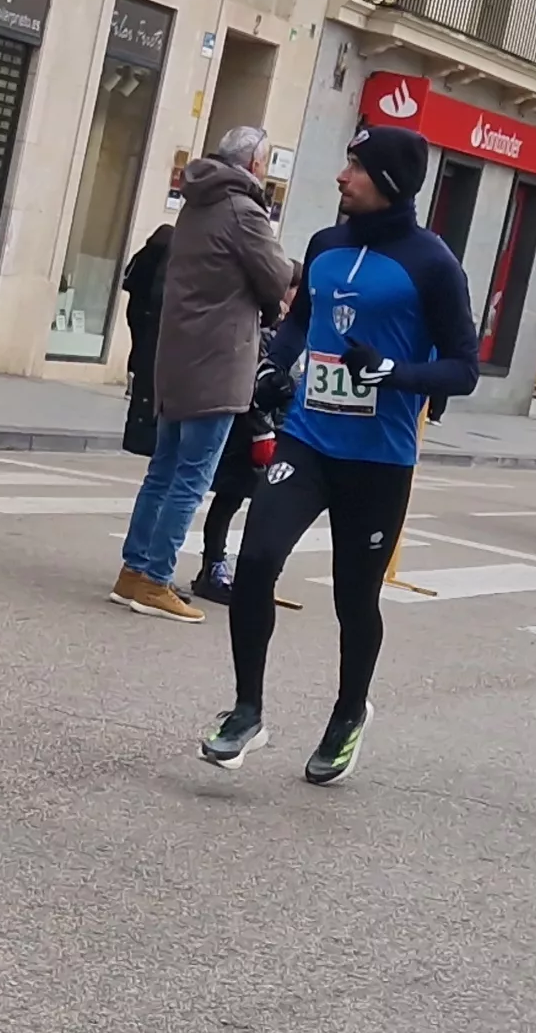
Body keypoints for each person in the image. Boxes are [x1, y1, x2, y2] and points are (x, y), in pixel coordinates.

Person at [202, 124, 477, 782]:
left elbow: (463, 368)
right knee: (258, 559)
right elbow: (303, 317)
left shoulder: (432, 263)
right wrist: (277, 362)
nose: (340, 176)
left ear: (386, 182)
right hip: (308, 439)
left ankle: (350, 712)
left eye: (354, 166)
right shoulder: (325, 245)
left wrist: (394, 372)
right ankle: (247, 711)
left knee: (356, 599)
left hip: (378, 459)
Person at [114, 128, 292, 622]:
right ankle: (154, 579)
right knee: (191, 477)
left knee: (164, 470)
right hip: (218, 359)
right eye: (265, 162)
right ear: (254, 165)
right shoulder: (243, 210)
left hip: (178, 357)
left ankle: (133, 569)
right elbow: (276, 276)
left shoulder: (197, 201)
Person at [187, 356, 289, 605]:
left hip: (269, 425)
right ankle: (213, 568)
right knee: (230, 497)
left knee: (242, 500)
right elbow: (256, 381)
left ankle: (230, 570)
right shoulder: (275, 335)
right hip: (250, 425)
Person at [113, 220, 171, 460]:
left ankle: (131, 378)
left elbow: (128, 277)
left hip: (135, 307)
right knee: (144, 349)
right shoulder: (166, 258)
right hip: (152, 313)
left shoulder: (145, 253)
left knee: (136, 345)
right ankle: (134, 382)